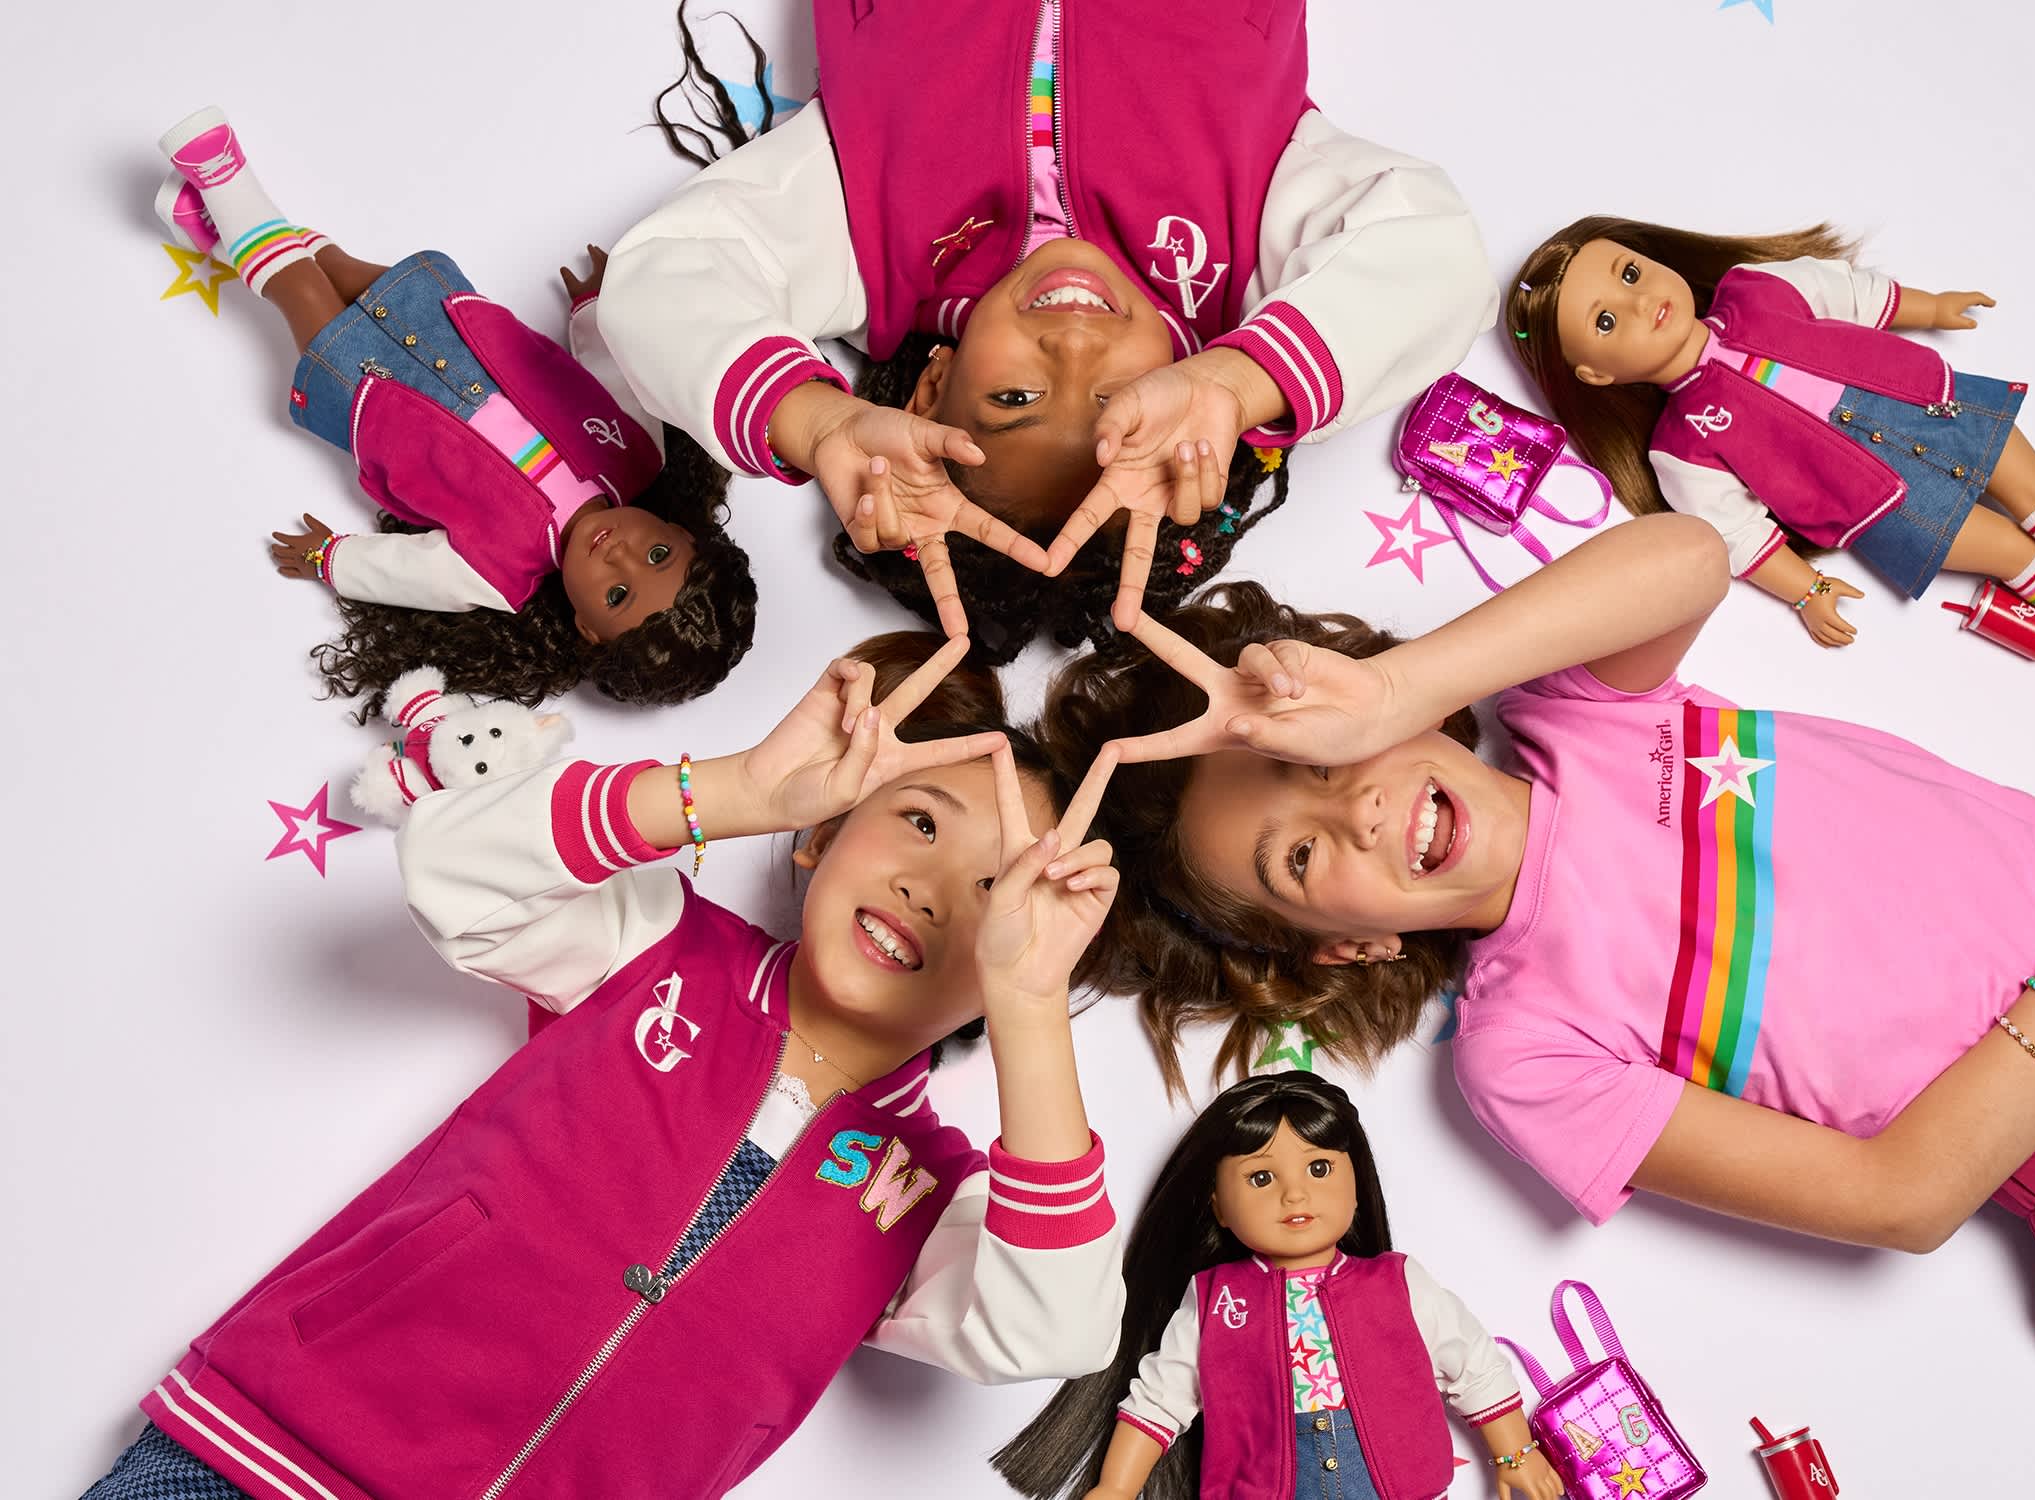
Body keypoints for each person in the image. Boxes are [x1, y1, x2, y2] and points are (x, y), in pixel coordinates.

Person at [1039, 517, 2035, 1500]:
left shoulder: (1581, 708)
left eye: (1318, 761)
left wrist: (1397, 688)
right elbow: (1901, 1200)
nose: (1356, 809)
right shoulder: (1524, 1051)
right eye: (1298, 856)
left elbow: (1689, 552)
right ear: (1340, 948)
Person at [81, 635, 1127, 1500]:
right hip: (275, 1452)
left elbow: (1053, 1328)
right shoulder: (658, 942)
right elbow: (451, 867)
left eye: (996, 890)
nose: (929, 889)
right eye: (919, 822)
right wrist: (737, 789)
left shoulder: (932, 1195)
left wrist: (1033, 1005)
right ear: (824, 835)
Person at [603, 0, 1492, 657]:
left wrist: (817, 420)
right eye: (1119, 396)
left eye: (1015, 399)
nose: (1072, 347)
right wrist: (1235, 381)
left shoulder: (862, 243)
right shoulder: (1249, 241)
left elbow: (662, 280)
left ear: (930, 390)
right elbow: (1435, 257)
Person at [155, 106, 756, 713]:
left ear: (587, 628)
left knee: (302, 289)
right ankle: (210, 227)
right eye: (658, 555)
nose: (619, 556)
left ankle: (223, 174)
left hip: (374, 396)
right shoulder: (638, 454)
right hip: (451, 330)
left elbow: (413, 572)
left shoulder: (502, 572)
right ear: (682, 533)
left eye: (617, 595)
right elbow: (610, 376)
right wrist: (594, 310)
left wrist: (332, 559)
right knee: (333, 266)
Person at [1508, 216, 2035, 652]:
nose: (1639, 302)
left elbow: (1844, 290)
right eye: (1606, 321)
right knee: (2005, 548)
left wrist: (1928, 306)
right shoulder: (1682, 445)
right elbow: (1737, 533)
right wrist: (1806, 590)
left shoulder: (1754, 290)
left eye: (1630, 272)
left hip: (1928, 402)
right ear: (1597, 375)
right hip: (1880, 505)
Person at [994, 1073, 1562, 1500]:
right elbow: (1162, 1397)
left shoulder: (1397, 1282)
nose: (1294, 1194)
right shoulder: (1217, 1299)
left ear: (1357, 1184)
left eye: (1319, 1169)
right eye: (1261, 1178)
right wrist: (1116, 1487)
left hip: (1401, 1483)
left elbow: (1473, 1366)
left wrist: (1516, 1453)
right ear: (1218, 1206)